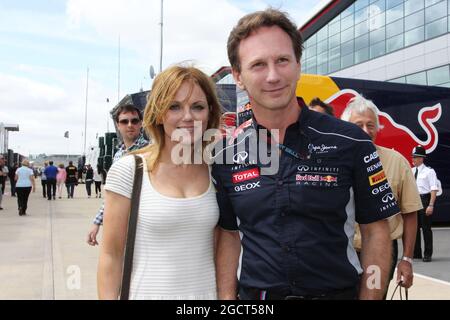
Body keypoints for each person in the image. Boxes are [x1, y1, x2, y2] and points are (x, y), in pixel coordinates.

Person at [212, 8, 399, 300]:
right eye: (258, 64)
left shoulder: (351, 141)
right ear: (238, 76)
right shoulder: (225, 154)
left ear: (298, 64)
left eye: (282, 60)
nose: (273, 76)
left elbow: (376, 231)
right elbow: (228, 234)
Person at [97, 65, 222, 300]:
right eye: (174, 106)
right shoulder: (129, 170)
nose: (188, 117)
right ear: (159, 113)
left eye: (197, 106)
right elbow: (110, 256)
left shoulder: (217, 171)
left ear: (209, 113)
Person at [341, 96, 422, 296]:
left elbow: (410, 213)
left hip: (380, 252)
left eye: (370, 125)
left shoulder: (397, 162)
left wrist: (407, 259)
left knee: (375, 295)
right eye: (358, 124)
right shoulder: (333, 162)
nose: (365, 130)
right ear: (345, 128)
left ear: (378, 129)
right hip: (342, 252)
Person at [86, 104, 149, 246]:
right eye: (124, 121)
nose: (130, 125)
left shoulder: (150, 151)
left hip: (144, 222)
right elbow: (113, 192)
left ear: (141, 124)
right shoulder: (118, 154)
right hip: (121, 220)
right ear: (118, 125)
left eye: (134, 121)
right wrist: (97, 222)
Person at [411, 145, 439, 262]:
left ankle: (427, 254)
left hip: (424, 200)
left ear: (422, 158)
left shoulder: (429, 172)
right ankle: (416, 252)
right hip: (413, 200)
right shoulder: (411, 171)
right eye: (413, 157)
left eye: (416, 157)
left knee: (426, 228)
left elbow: (434, 189)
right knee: (414, 228)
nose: (413, 159)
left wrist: (431, 205)